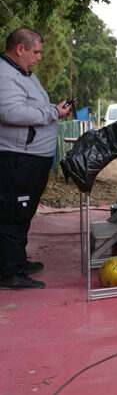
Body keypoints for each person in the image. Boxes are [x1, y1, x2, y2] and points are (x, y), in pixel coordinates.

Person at [0, 27, 71, 290]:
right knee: (13, 213)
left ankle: (15, 260)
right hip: (18, 158)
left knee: (23, 212)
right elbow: (11, 112)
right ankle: (10, 273)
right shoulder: (5, 74)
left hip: (31, 157)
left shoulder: (23, 73)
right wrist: (52, 112)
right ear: (20, 49)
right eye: (36, 52)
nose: (39, 57)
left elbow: (31, 106)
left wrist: (53, 110)